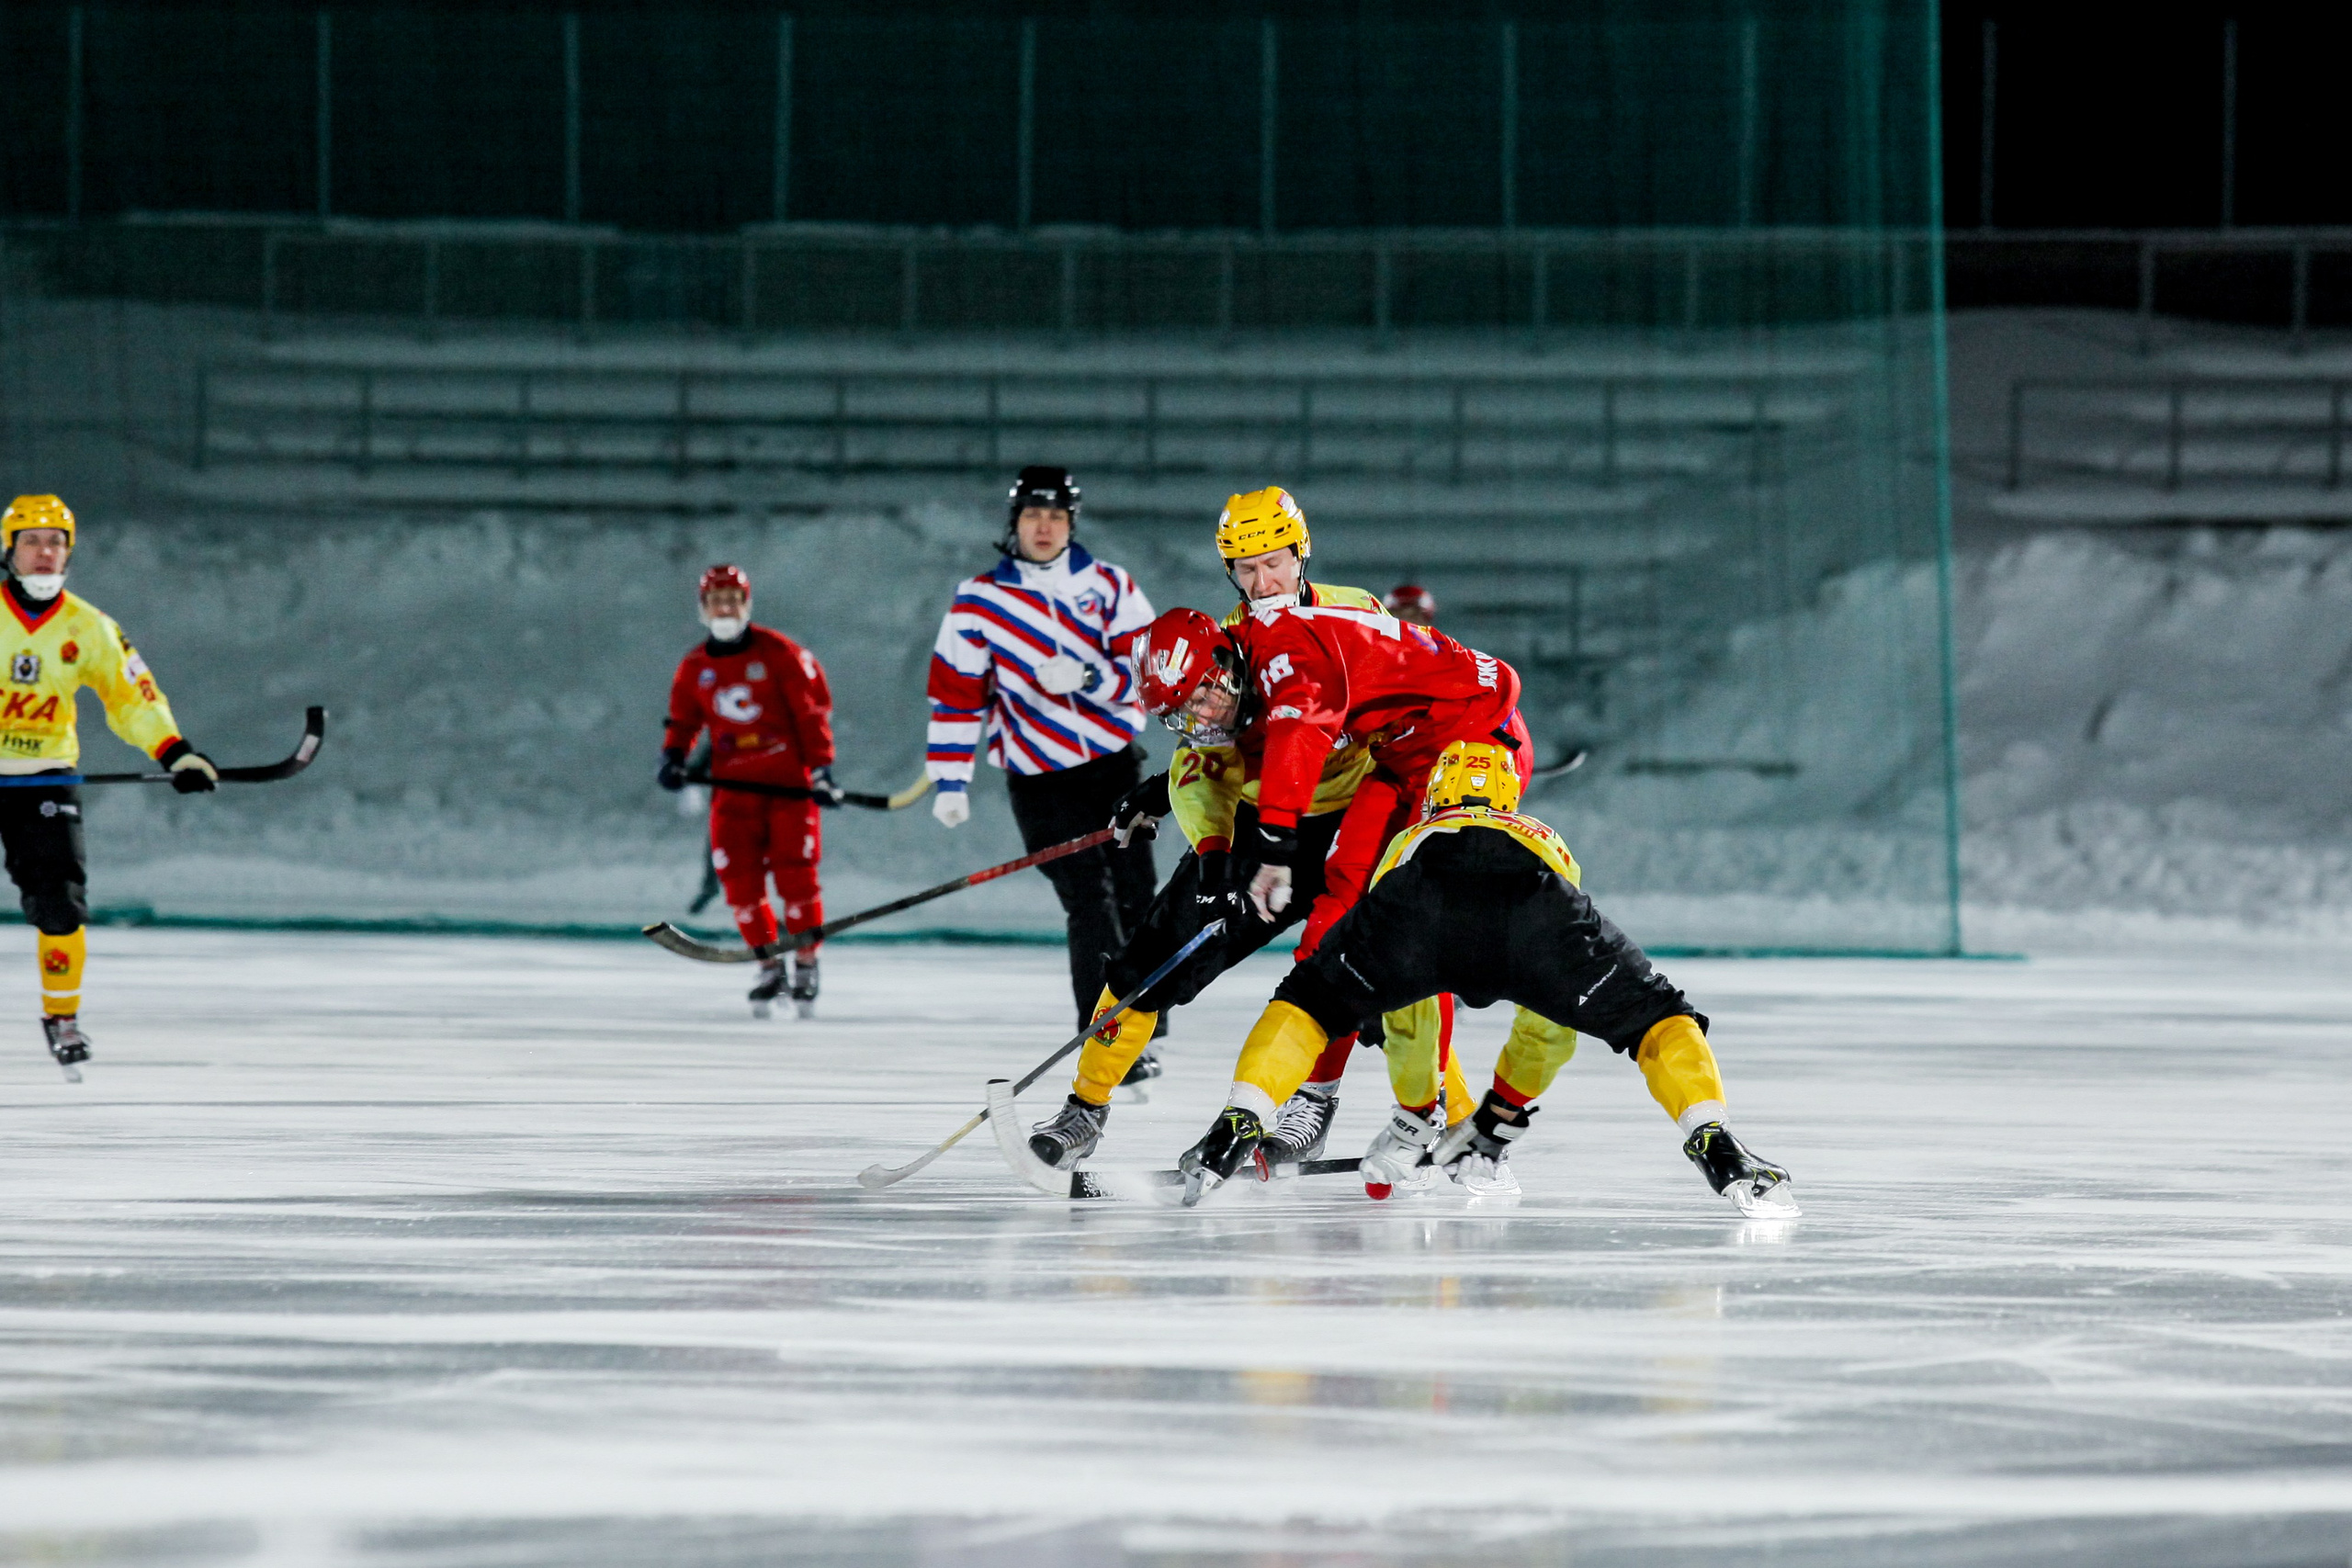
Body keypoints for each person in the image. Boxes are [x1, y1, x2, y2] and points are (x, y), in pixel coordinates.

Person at [1025, 486, 1468, 1171]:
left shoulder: (1358, 614)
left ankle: (1360, 1107)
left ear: (1302, 553)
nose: (1263, 584)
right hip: (1269, 830)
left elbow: (1408, 715)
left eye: (1275, 564)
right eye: (1246, 569)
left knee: (1363, 974)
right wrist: (1193, 828)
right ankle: (1085, 1106)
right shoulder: (1232, 641)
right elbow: (1207, 742)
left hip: (1360, 817)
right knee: (1149, 959)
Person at [1179, 738, 1799, 1216]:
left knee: (1307, 1003)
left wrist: (1417, 1113)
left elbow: (1411, 1015)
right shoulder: (1543, 835)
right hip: (1534, 900)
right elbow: (1549, 1022)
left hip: (1423, 890)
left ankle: (1240, 1117)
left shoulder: (1411, 835)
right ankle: (1714, 1138)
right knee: (1661, 1017)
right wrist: (1496, 1120)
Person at [924, 466, 1158, 1027]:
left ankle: (1145, 1025)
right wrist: (949, 779)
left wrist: (1087, 678)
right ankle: (1104, 1031)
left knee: (1137, 893)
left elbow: (1153, 678)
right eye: (1033, 514)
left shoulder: (1110, 587)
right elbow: (956, 695)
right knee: (1088, 899)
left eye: (1056, 515)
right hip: (1039, 779)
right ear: (1016, 522)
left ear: (1071, 522)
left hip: (1114, 768)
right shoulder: (979, 601)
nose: (1045, 526)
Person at [0, 496, 217, 1076]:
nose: (44, 553)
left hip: (44, 778)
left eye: (55, 542)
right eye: (31, 541)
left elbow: (133, 700)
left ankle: (62, 1017)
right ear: (9, 551)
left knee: (61, 905)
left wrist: (176, 754)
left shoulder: (88, 627)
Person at [659, 564, 840, 1019]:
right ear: (703, 609)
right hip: (733, 793)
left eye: (733, 599)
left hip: (788, 790)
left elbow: (811, 714)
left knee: (797, 880)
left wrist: (820, 770)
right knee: (740, 886)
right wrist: (673, 758)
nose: (725, 607)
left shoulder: (781, 655)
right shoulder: (695, 667)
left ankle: (805, 964)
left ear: (747, 604)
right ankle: (768, 966)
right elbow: (683, 721)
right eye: (716, 599)